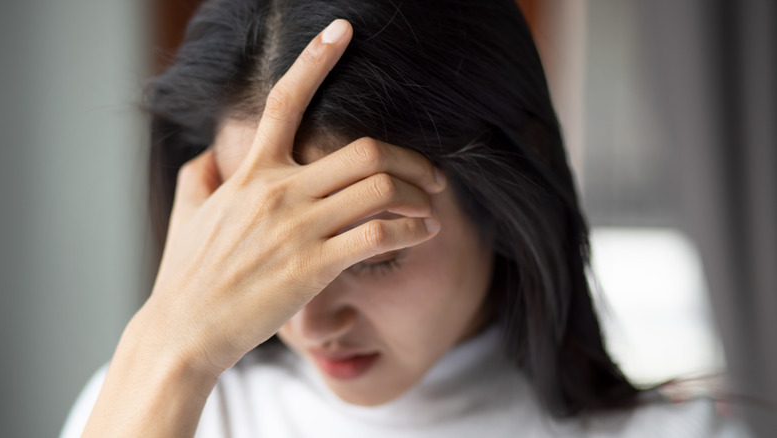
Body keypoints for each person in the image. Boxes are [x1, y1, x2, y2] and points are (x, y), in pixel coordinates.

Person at [61, 0, 746, 436]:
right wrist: (167, 349)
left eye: (369, 251)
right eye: (260, 248)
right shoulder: (156, 402)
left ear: (504, 196)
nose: (307, 320)